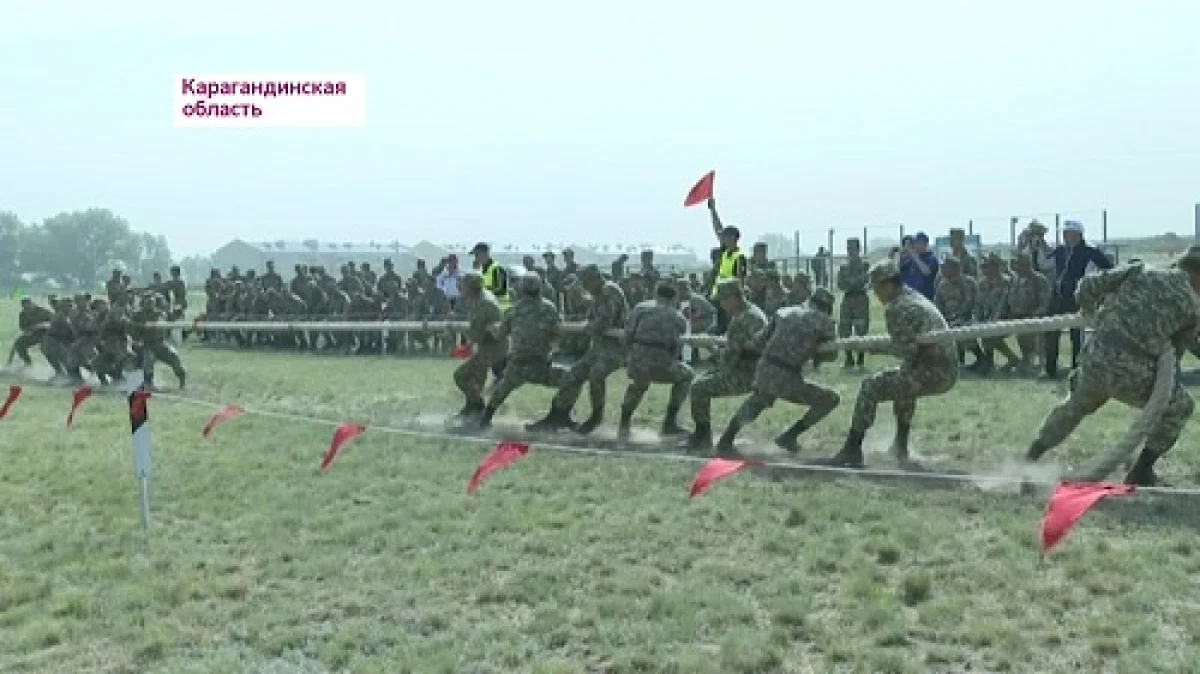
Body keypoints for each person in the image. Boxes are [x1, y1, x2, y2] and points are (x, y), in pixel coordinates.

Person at [1023, 251, 1200, 486]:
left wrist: (1090, 313)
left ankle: (1031, 456)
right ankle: (1142, 471)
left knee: (1075, 406)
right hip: (1132, 368)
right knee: (1181, 406)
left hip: (1095, 356)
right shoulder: (1193, 305)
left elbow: (1086, 285)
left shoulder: (1139, 269)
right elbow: (1177, 354)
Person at [815, 260, 959, 468]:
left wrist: (871, 346)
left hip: (936, 371)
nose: (875, 294)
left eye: (876, 288)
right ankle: (900, 448)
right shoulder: (912, 297)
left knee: (870, 386)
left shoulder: (899, 308)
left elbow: (904, 350)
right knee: (903, 382)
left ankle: (852, 450)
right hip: (939, 367)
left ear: (888, 285)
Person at [715, 289, 840, 454]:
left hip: (765, 367)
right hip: (788, 374)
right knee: (830, 399)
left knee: (758, 402)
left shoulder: (783, 312)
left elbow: (759, 341)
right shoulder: (825, 322)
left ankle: (726, 439)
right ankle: (790, 436)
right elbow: (831, 355)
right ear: (827, 308)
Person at [527, 265, 628, 434]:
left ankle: (597, 417)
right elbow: (592, 320)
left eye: (586, 282)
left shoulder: (609, 291)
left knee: (597, 374)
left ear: (595, 279)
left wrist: (582, 327)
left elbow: (602, 323)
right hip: (598, 348)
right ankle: (558, 415)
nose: (584, 287)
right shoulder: (598, 295)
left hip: (615, 349)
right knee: (572, 375)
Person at [683, 278, 767, 450]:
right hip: (758, 371)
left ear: (734, 297)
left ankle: (702, 435)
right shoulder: (753, 312)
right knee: (702, 380)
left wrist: (709, 347)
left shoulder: (742, 319)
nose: (721, 304)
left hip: (748, 374)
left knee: (698, 387)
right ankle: (704, 434)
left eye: (723, 299)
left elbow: (728, 360)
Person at [476, 273, 564, 430]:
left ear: (521, 289)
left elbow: (500, 335)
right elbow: (558, 334)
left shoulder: (513, 310)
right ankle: (557, 415)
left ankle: (485, 419)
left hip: (517, 366)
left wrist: (490, 327)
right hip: (540, 365)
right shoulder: (549, 308)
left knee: (500, 391)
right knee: (572, 380)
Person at [618, 280, 693, 440]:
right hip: (662, 364)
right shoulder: (678, 317)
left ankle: (624, 424)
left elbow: (627, 335)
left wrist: (629, 358)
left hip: (637, 361)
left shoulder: (640, 308)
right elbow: (677, 347)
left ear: (655, 294)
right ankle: (670, 422)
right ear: (674, 298)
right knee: (687, 375)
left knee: (638, 384)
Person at [1043, 220, 1114, 379]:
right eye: (1065, 233)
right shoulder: (1060, 250)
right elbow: (1044, 262)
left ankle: (1076, 370)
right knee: (1051, 331)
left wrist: (1094, 285)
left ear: (1079, 234)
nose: (1068, 236)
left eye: (1071, 233)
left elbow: (1109, 268)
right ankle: (1050, 370)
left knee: (1076, 334)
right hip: (1058, 295)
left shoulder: (1090, 251)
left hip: (1077, 296)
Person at [451, 272, 508, 419]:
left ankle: (478, 406)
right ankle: (472, 406)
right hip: (489, 346)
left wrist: (456, 329)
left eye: (463, 286)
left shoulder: (483, 303)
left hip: (493, 349)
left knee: (460, 376)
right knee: (476, 380)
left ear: (470, 287)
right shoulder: (479, 298)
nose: (460, 288)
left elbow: (476, 333)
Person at [706, 197, 748, 333]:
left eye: (726, 237)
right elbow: (717, 228)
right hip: (721, 298)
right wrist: (713, 210)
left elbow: (741, 279)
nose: (723, 239)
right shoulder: (725, 253)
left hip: (732, 300)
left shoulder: (739, 257)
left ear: (733, 238)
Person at [836, 238, 870, 368]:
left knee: (861, 329)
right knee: (844, 328)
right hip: (848, 298)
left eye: (852, 248)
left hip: (860, 298)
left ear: (858, 249)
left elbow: (866, 279)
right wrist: (854, 282)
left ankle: (860, 358)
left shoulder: (865, 265)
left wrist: (852, 282)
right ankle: (848, 358)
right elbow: (840, 284)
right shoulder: (844, 267)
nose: (850, 251)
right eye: (848, 248)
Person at [898, 232, 938, 300]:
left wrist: (914, 255)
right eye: (914, 243)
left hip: (925, 297)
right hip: (909, 297)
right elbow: (898, 269)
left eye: (917, 243)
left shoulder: (931, 258)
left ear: (925, 244)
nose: (915, 245)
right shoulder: (909, 258)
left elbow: (927, 272)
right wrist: (902, 254)